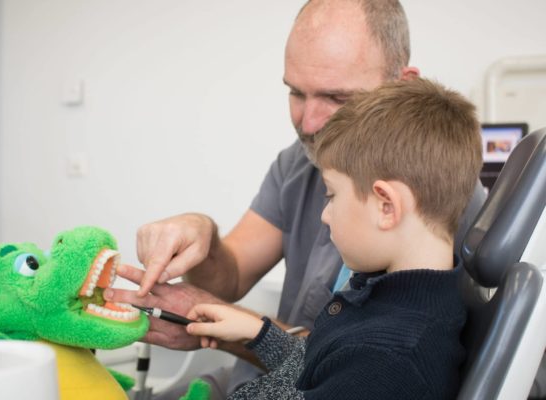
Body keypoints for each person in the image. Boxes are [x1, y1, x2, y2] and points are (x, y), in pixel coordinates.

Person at [104, 0, 486, 397]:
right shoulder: (297, 165)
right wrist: (203, 235)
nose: (309, 122)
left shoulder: (445, 209)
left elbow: (352, 361)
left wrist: (244, 337)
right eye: (296, 93)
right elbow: (235, 279)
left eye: (338, 98)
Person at [185, 77, 483, 399]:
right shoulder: (388, 303)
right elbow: (322, 366)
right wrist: (258, 333)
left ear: (386, 206)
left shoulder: (388, 358)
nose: (325, 215)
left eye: (331, 195)